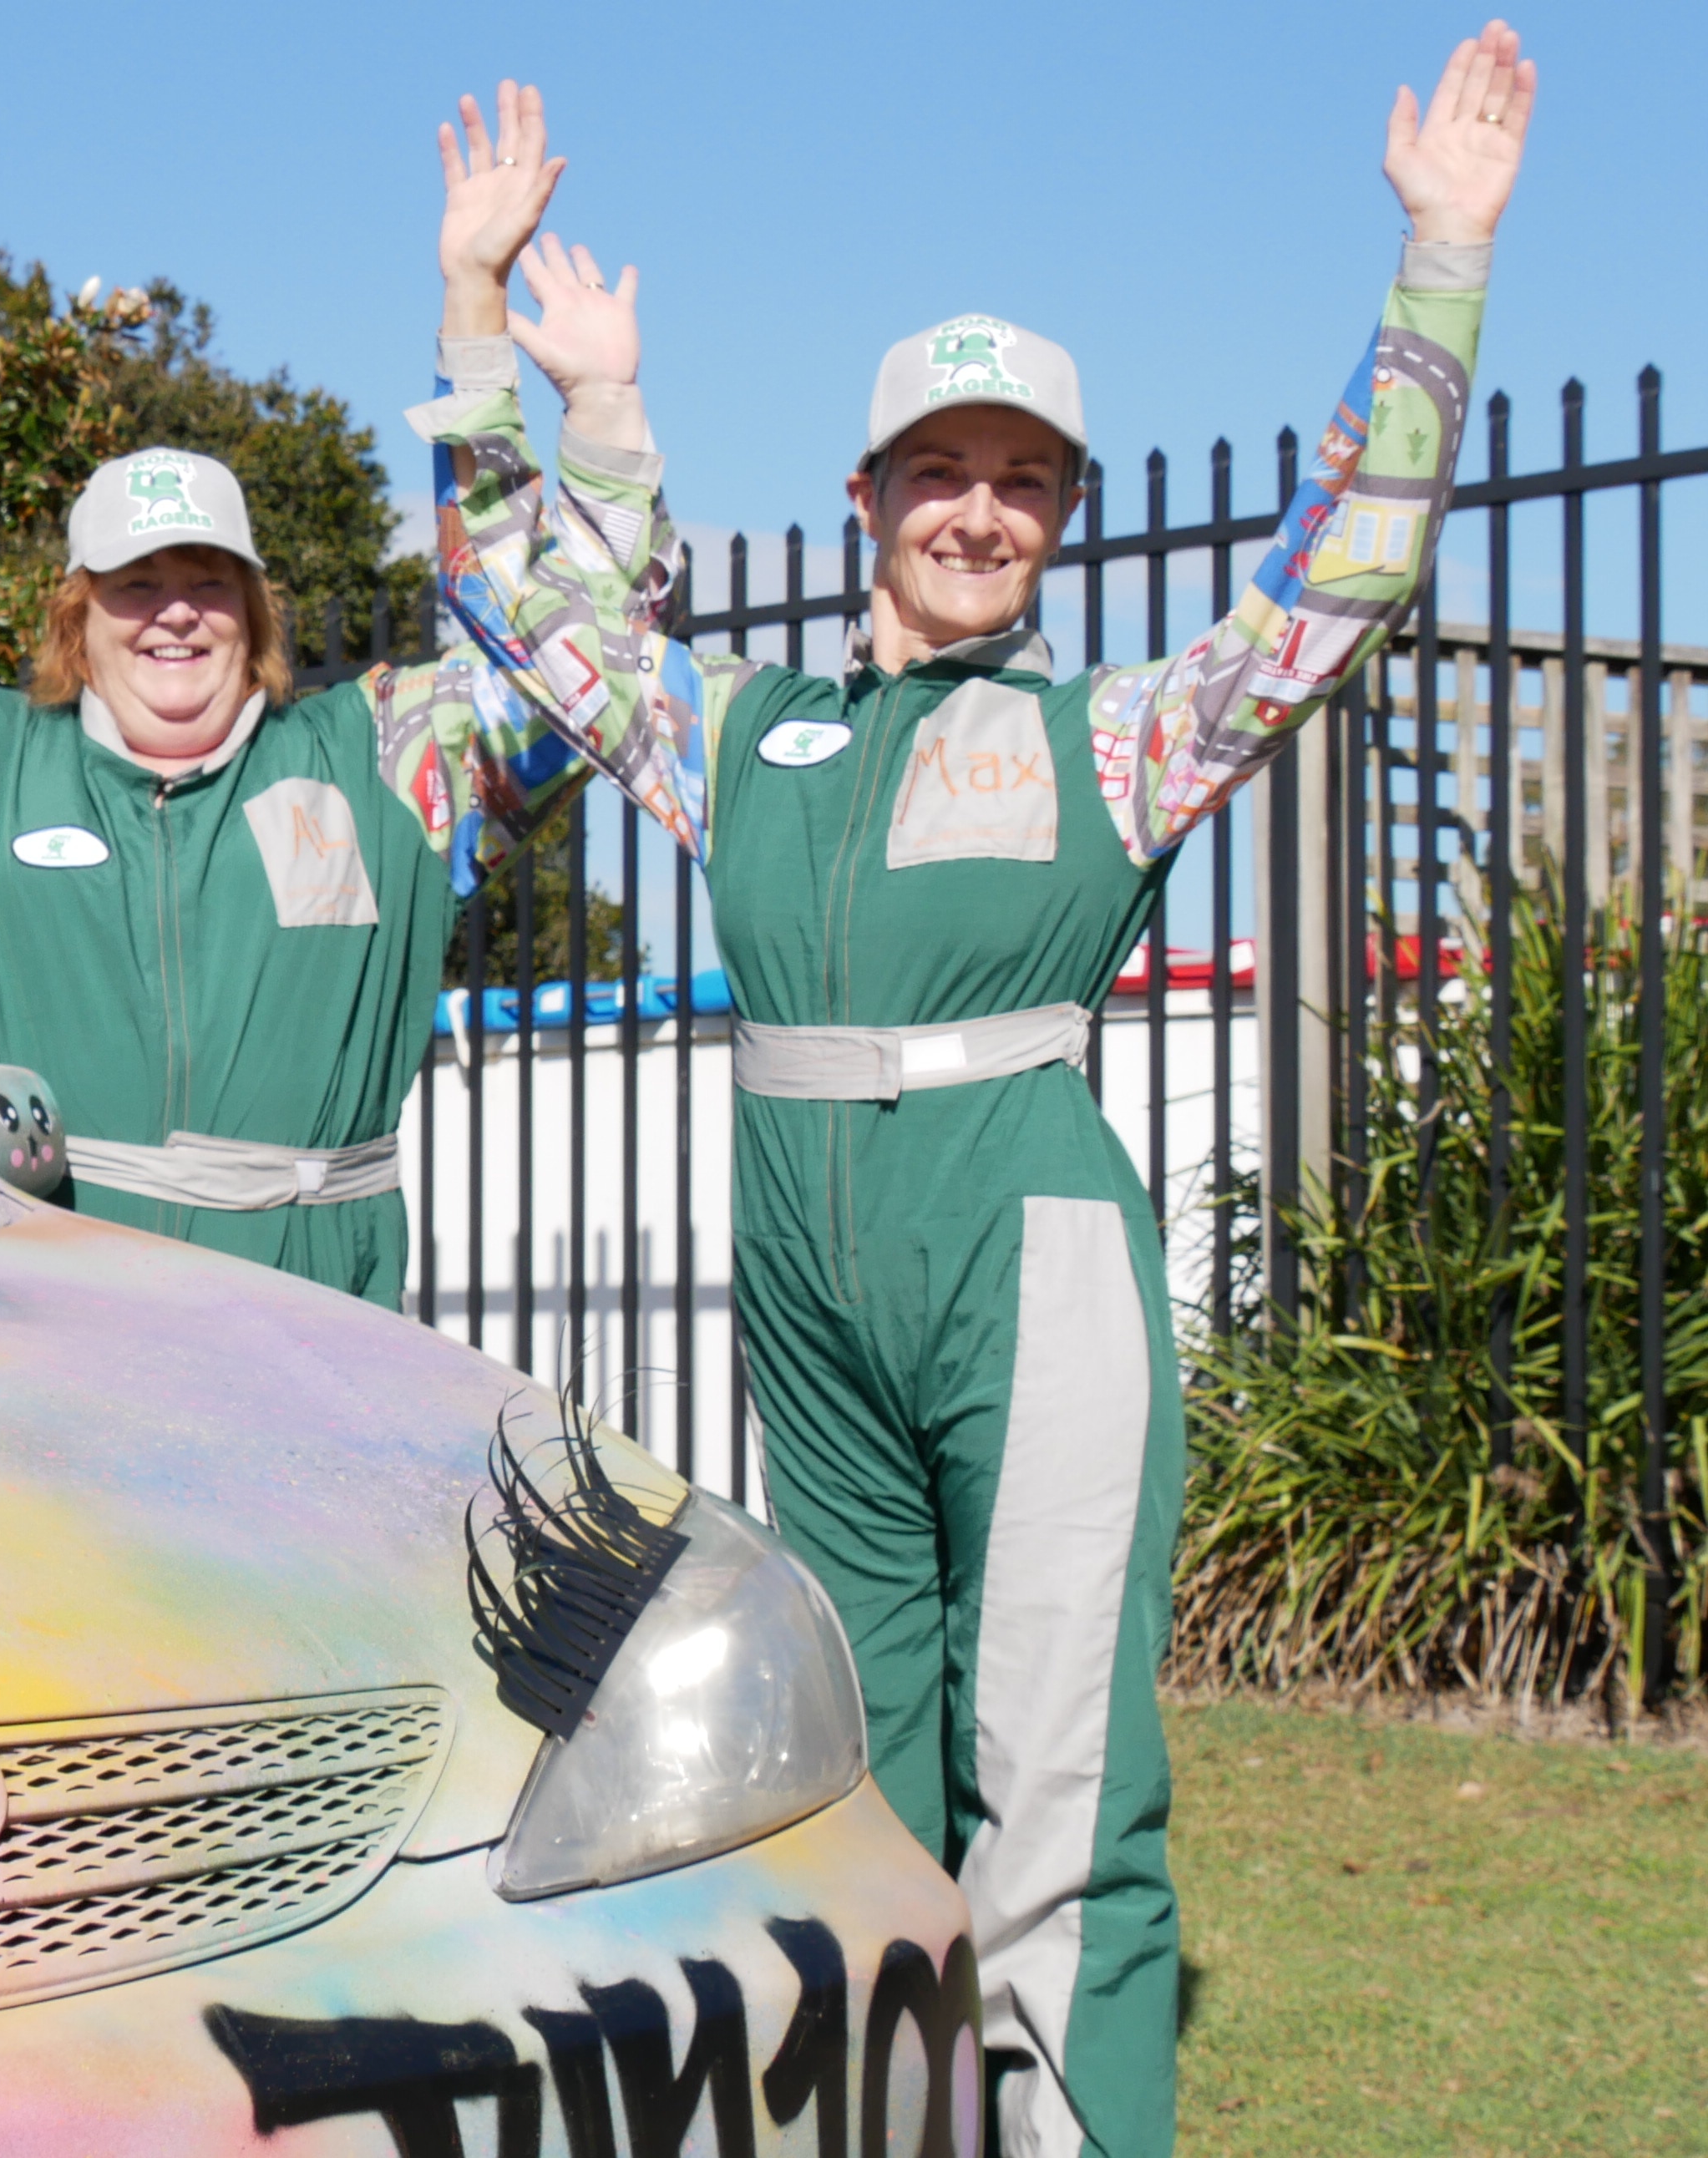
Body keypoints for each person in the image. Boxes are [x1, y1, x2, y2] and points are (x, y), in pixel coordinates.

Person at [414, 31, 1528, 2154]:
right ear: (871, 498)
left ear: (1061, 519)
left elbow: (1350, 570)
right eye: (942, 470)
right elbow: (518, 604)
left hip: (1030, 1262)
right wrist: (478, 322)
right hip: (816, 1297)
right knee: (863, 1768)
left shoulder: (1126, 732)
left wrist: (1445, 259)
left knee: (1061, 1786)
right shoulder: (743, 736)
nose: (980, 511)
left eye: (1023, 480)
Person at [0, 245, 596, 1304]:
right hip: (47, 1332)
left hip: (326, 1337)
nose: (175, 612)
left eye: (207, 580)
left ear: (254, 608)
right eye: (135, 585)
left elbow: (574, 676)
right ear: (76, 619)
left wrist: (488, 335)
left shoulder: (382, 760)